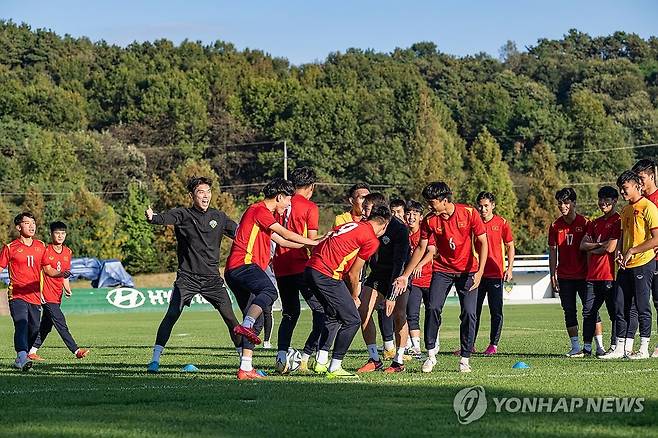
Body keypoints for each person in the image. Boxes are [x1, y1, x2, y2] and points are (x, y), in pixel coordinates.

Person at [144, 176, 243, 373]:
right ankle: (155, 360)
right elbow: (164, 218)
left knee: (231, 318)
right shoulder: (183, 214)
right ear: (192, 196)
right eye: (200, 192)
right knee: (172, 314)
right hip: (187, 278)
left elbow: (241, 233)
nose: (205, 196)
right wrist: (153, 217)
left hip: (212, 280)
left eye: (208, 191)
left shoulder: (219, 217)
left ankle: (245, 362)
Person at [226, 178, 320, 380]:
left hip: (236, 271)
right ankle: (247, 323)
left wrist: (314, 244)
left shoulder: (262, 217)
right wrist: (312, 242)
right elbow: (285, 232)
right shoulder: (260, 210)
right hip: (244, 265)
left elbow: (284, 240)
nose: (288, 205)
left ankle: (245, 368)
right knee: (269, 292)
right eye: (288, 201)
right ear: (279, 197)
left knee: (259, 320)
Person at [394, 182, 488, 373]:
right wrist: (405, 275)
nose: (429, 206)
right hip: (442, 269)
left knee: (469, 313)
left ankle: (465, 358)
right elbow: (421, 248)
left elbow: (483, 242)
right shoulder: (429, 220)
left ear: (445, 201)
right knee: (433, 307)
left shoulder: (469, 213)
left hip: (468, 271)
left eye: (432, 202)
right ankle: (430, 355)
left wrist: (480, 273)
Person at [306, 205, 391, 378]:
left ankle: (321, 361)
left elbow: (328, 241)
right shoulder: (372, 240)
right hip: (326, 273)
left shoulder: (350, 225)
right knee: (352, 319)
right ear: (384, 225)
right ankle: (335, 366)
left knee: (332, 314)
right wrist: (354, 296)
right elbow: (354, 273)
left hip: (310, 268)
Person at [272, 167, 330, 373]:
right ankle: (306, 356)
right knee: (322, 310)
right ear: (312, 187)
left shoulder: (279, 203)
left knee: (289, 313)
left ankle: (281, 357)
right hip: (300, 265)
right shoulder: (310, 207)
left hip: (279, 265)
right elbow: (311, 241)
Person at [0, 212, 69, 371]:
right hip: (17, 294)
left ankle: (21, 357)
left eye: (33, 223)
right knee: (21, 323)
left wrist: (61, 273)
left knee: (34, 329)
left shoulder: (41, 246)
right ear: (19, 227)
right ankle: (22, 357)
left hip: (35, 295)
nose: (32, 226)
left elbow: (48, 269)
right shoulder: (10, 248)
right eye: (27, 223)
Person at [604, 171, 658, 359]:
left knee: (642, 306)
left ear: (637, 186)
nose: (622, 191)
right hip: (625, 265)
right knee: (619, 304)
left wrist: (633, 251)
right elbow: (622, 236)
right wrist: (619, 251)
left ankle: (643, 349)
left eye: (624, 188)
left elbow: (656, 239)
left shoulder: (648, 207)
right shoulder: (625, 210)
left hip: (644, 263)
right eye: (620, 188)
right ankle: (620, 348)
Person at [356, 193, 410, 373]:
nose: (363, 211)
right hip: (378, 275)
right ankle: (374, 359)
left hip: (398, 276)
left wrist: (392, 295)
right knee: (363, 311)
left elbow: (400, 262)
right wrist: (358, 284)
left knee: (399, 315)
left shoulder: (399, 228)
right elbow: (362, 258)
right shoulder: (366, 227)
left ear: (378, 208)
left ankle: (398, 361)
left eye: (367, 208)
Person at [28, 221, 89, 361]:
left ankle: (31, 351)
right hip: (45, 294)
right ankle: (76, 351)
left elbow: (65, 275)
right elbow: (48, 270)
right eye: (57, 233)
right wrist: (61, 274)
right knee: (60, 321)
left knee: (46, 325)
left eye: (63, 233)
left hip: (57, 295)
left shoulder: (68, 252)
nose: (60, 236)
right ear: (51, 234)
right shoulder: (46, 250)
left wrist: (67, 289)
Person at [548, 187, 595, 357]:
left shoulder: (586, 223)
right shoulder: (555, 226)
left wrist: (592, 273)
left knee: (591, 310)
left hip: (584, 276)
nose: (563, 206)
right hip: (565, 276)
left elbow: (590, 251)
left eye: (566, 202)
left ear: (574, 203)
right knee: (569, 311)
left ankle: (599, 346)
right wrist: (553, 275)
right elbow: (553, 252)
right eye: (560, 203)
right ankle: (575, 347)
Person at [580, 186, 620, 357]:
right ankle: (587, 347)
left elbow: (611, 248)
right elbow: (583, 246)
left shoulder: (618, 221)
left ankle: (614, 346)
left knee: (614, 313)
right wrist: (600, 245)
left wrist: (595, 247)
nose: (602, 203)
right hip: (592, 276)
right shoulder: (595, 223)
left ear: (614, 201)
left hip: (610, 276)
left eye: (606, 200)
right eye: (600, 199)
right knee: (588, 311)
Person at [473, 192, 515, 356]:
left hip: (495, 273)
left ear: (493, 205)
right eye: (480, 206)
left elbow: (510, 245)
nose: (482, 209)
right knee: (472, 311)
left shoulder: (502, 223)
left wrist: (509, 268)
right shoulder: (474, 223)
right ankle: (470, 344)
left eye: (486, 206)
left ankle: (493, 345)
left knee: (495, 310)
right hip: (477, 274)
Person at [631, 159, 658, 356]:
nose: (639, 183)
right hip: (640, 261)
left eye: (641, 178)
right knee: (638, 303)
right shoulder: (637, 203)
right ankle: (632, 345)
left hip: (656, 259)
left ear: (651, 176)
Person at [404, 200, 434, 358]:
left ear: (421, 217)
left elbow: (431, 251)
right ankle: (416, 347)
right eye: (408, 213)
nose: (411, 217)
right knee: (412, 313)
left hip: (429, 278)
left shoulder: (425, 231)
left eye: (415, 214)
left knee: (433, 312)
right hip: (413, 281)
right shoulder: (403, 234)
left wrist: (420, 264)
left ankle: (433, 342)